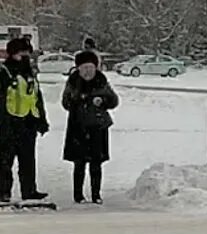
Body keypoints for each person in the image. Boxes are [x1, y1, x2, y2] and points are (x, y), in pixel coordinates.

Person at [61, 50, 118, 204]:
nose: (88, 71)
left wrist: (103, 101)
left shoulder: (101, 81)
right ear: (78, 69)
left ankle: (96, 194)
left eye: (91, 68)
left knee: (96, 163)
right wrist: (76, 100)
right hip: (78, 127)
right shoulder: (73, 82)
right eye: (84, 68)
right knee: (79, 163)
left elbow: (114, 101)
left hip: (97, 127)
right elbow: (65, 103)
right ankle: (78, 195)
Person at [0, 37, 50, 203]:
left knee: (28, 160)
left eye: (27, 54)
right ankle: (3, 192)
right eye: (22, 55)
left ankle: (29, 191)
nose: (25, 58)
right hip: (8, 123)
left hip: (28, 123)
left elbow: (36, 97)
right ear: (12, 54)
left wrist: (41, 119)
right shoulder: (4, 72)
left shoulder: (30, 74)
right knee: (5, 161)